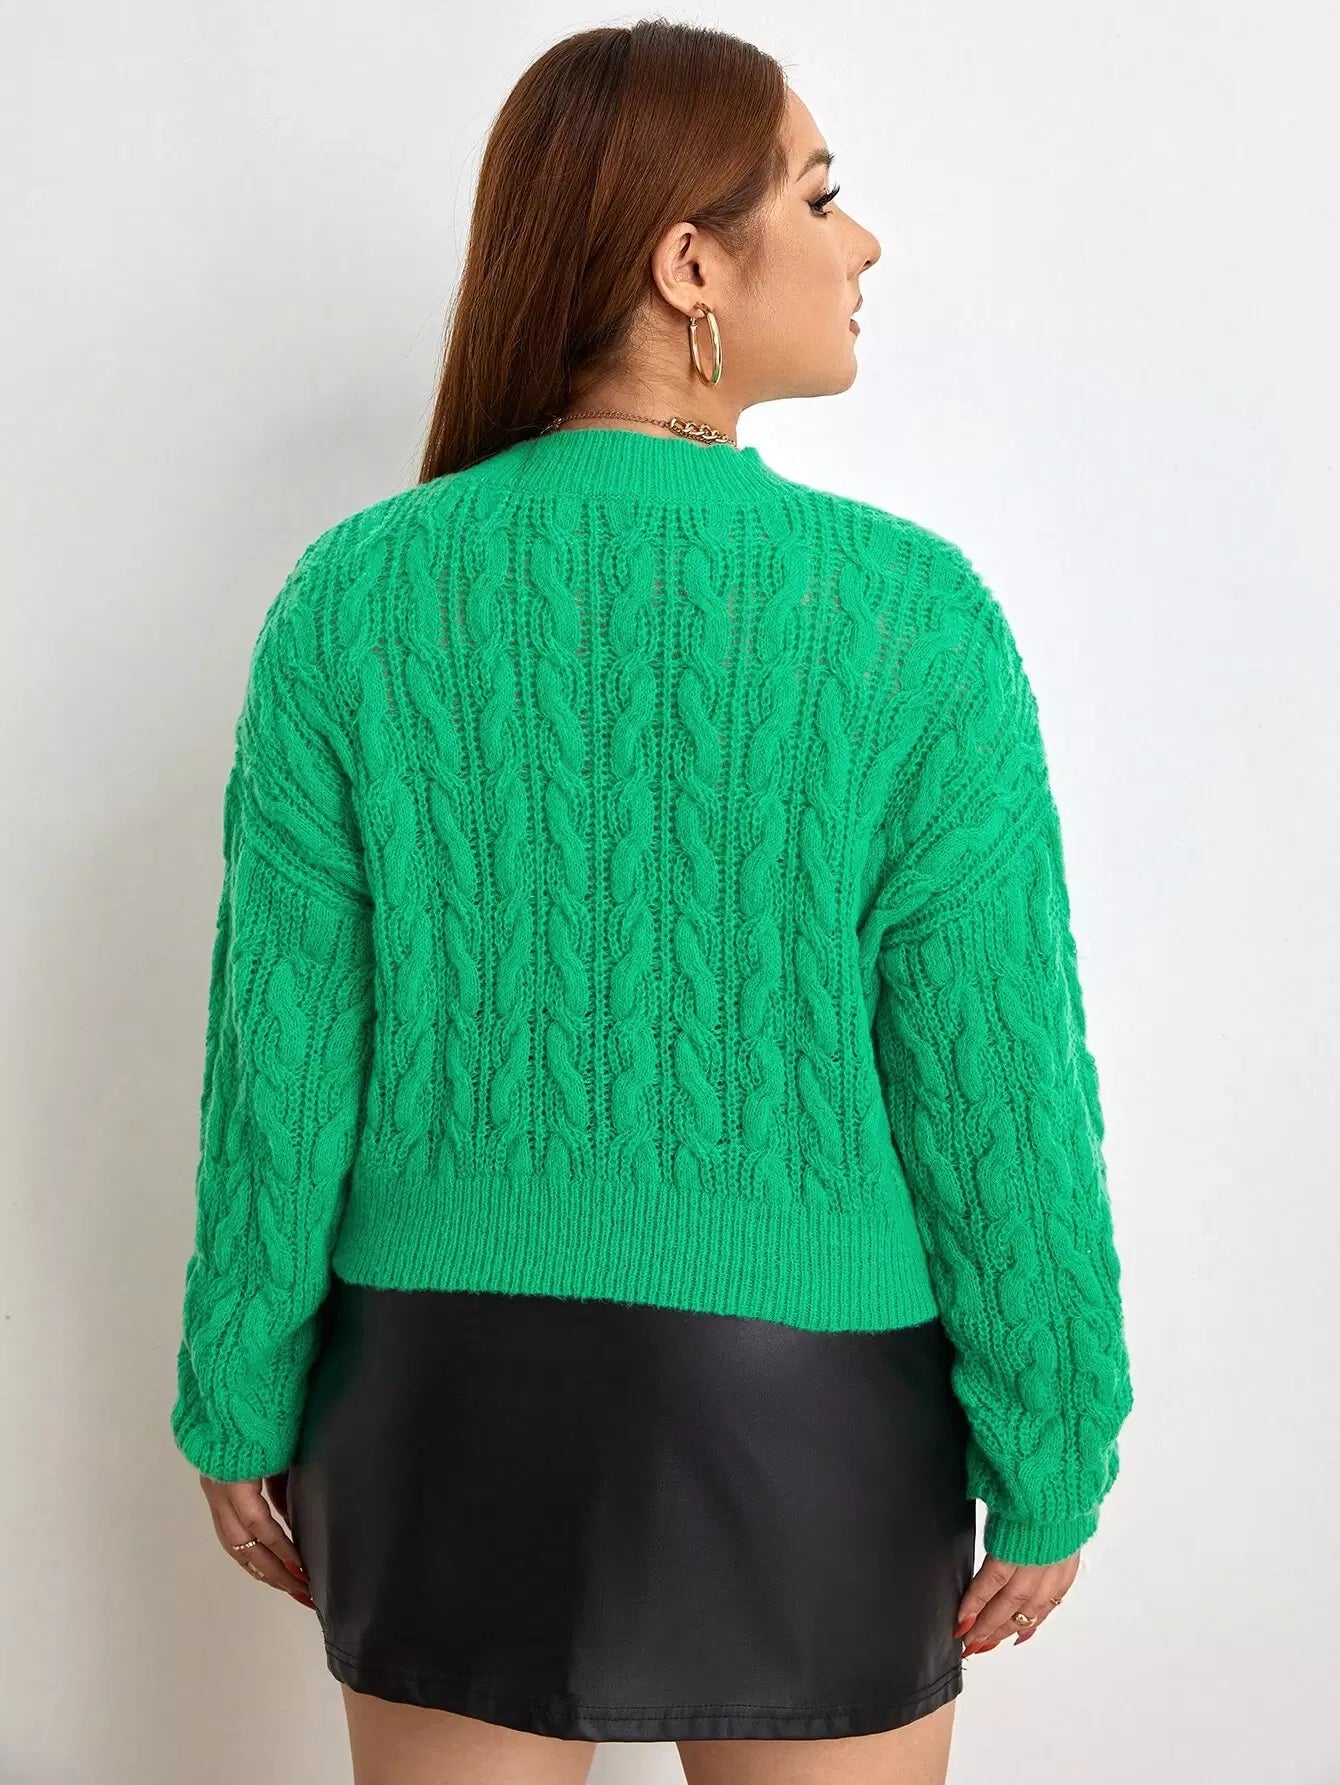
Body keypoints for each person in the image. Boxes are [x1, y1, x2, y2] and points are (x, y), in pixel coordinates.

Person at [169, 19, 1134, 1785]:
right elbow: (993, 1082)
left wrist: (239, 1380)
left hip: (439, 1392)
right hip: (816, 1402)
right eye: (821, 198)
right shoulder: (910, 618)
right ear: (691, 265)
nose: (864, 243)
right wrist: (1055, 1432)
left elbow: (283, 1059)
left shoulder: (356, 599)